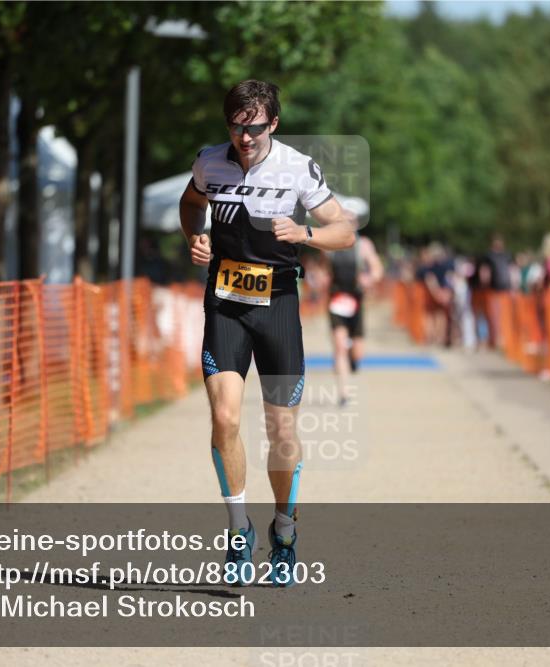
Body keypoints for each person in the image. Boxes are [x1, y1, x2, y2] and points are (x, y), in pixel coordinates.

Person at [179, 80, 355, 587]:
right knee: (224, 417)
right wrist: (195, 236)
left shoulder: (297, 168)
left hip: (277, 305)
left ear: (273, 124)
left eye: (254, 127)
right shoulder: (210, 162)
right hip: (225, 304)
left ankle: (284, 531)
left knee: (281, 432)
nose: (244, 137)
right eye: (236, 127)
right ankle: (239, 532)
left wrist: (306, 233)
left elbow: (344, 230)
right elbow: (191, 204)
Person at [326, 210, 383, 406]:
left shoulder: (364, 245)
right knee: (339, 346)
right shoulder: (330, 245)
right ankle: (344, 393)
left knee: (357, 352)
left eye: (350, 221)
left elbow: (377, 269)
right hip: (336, 300)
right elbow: (324, 268)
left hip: (356, 300)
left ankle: (353, 358)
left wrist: (370, 278)